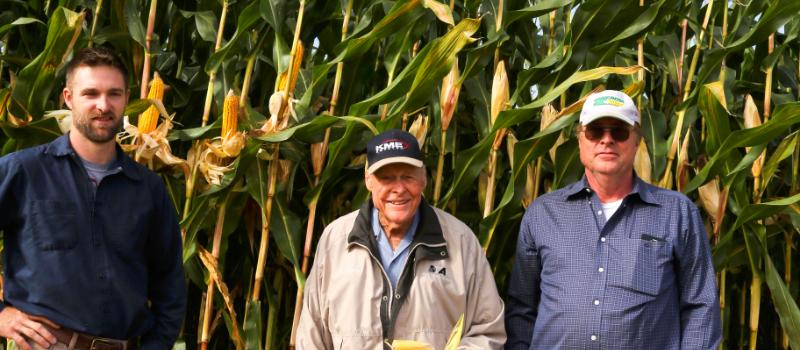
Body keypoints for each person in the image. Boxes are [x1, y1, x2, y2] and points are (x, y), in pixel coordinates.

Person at [0, 47, 185, 350]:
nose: (103, 105)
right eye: (90, 93)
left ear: (127, 98)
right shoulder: (23, 172)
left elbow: (170, 286)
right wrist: (1, 316)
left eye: (114, 94)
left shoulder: (148, 189)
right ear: (68, 98)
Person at [505, 90, 721, 349]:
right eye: (595, 131)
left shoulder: (677, 213)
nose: (606, 140)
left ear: (637, 141)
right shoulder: (543, 214)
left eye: (619, 131)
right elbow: (521, 309)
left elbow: (701, 305)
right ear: (580, 140)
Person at [297, 129, 505, 349]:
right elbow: (312, 333)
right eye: (387, 178)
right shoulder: (336, 240)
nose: (398, 189)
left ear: (424, 178)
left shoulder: (461, 242)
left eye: (408, 176)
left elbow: (487, 330)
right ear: (368, 180)